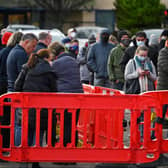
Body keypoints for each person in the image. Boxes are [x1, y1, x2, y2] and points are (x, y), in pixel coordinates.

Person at [14, 49, 56, 168]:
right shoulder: (49, 71)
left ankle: (23, 162)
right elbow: (54, 91)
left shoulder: (27, 67)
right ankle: (35, 162)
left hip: (27, 107)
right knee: (39, 135)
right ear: (47, 58)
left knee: (26, 134)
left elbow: (17, 86)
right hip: (43, 108)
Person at [48, 42, 83, 147]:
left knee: (65, 124)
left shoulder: (56, 63)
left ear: (54, 52)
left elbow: (51, 78)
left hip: (64, 97)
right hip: (78, 96)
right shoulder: (73, 60)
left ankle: (65, 151)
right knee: (73, 124)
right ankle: (72, 150)